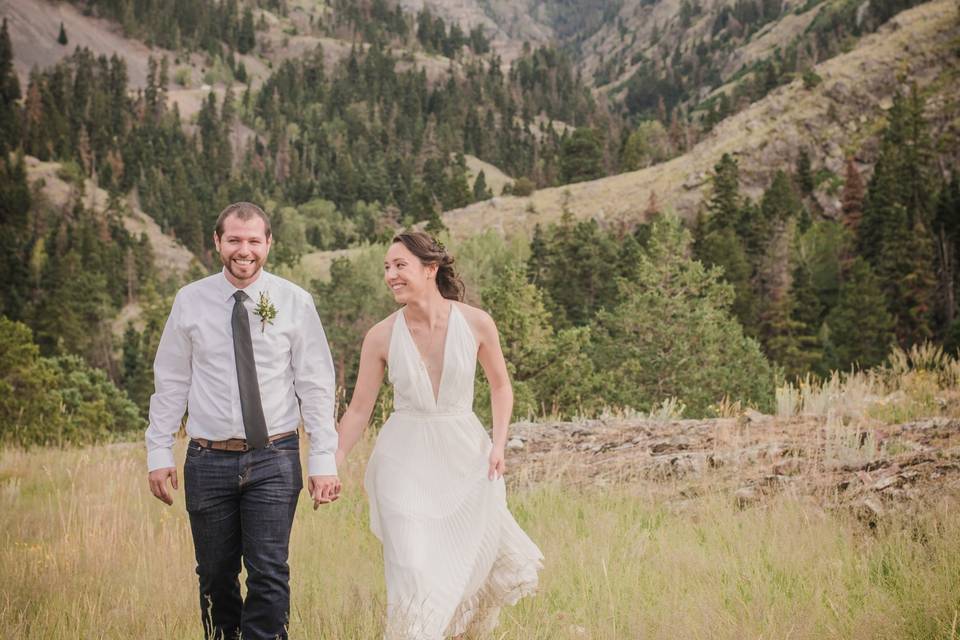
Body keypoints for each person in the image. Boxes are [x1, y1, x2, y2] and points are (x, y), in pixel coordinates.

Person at [145, 202, 341, 639]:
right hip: (207, 460)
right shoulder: (190, 300)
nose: (244, 250)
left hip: (275, 456)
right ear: (218, 242)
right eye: (234, 240)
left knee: (269, 573)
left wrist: (324, 459)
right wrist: (158, 452)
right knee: (214, 577)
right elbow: (171, 381)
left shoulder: (294, 302)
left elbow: (315, 384)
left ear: (268, 244)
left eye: (254, 240)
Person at [335, 231, 543, 639]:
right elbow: (359, 409)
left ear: (430, 269)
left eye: (400, 266)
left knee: (464, 562)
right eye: (387, 268)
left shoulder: (477, 323)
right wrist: (331, 461)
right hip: (403, 460)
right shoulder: (380, 336)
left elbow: (501, 386)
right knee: (411, 562)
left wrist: (499, 444)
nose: (391, 275)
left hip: (465, 458)